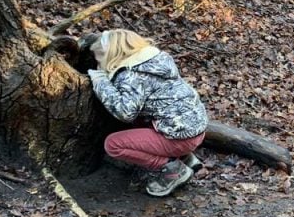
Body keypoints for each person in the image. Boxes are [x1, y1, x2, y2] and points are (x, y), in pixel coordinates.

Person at [83, 29, 208, 197]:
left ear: (111, 55)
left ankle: (172, 168)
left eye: (99, 59)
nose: (98, 64)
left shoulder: (132, 75)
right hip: (195, 129)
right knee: (141, 119)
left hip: (180, 137)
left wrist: (100, 81)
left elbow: (124, 112)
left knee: (113, 145)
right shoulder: (156, 61)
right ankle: (185, 157)